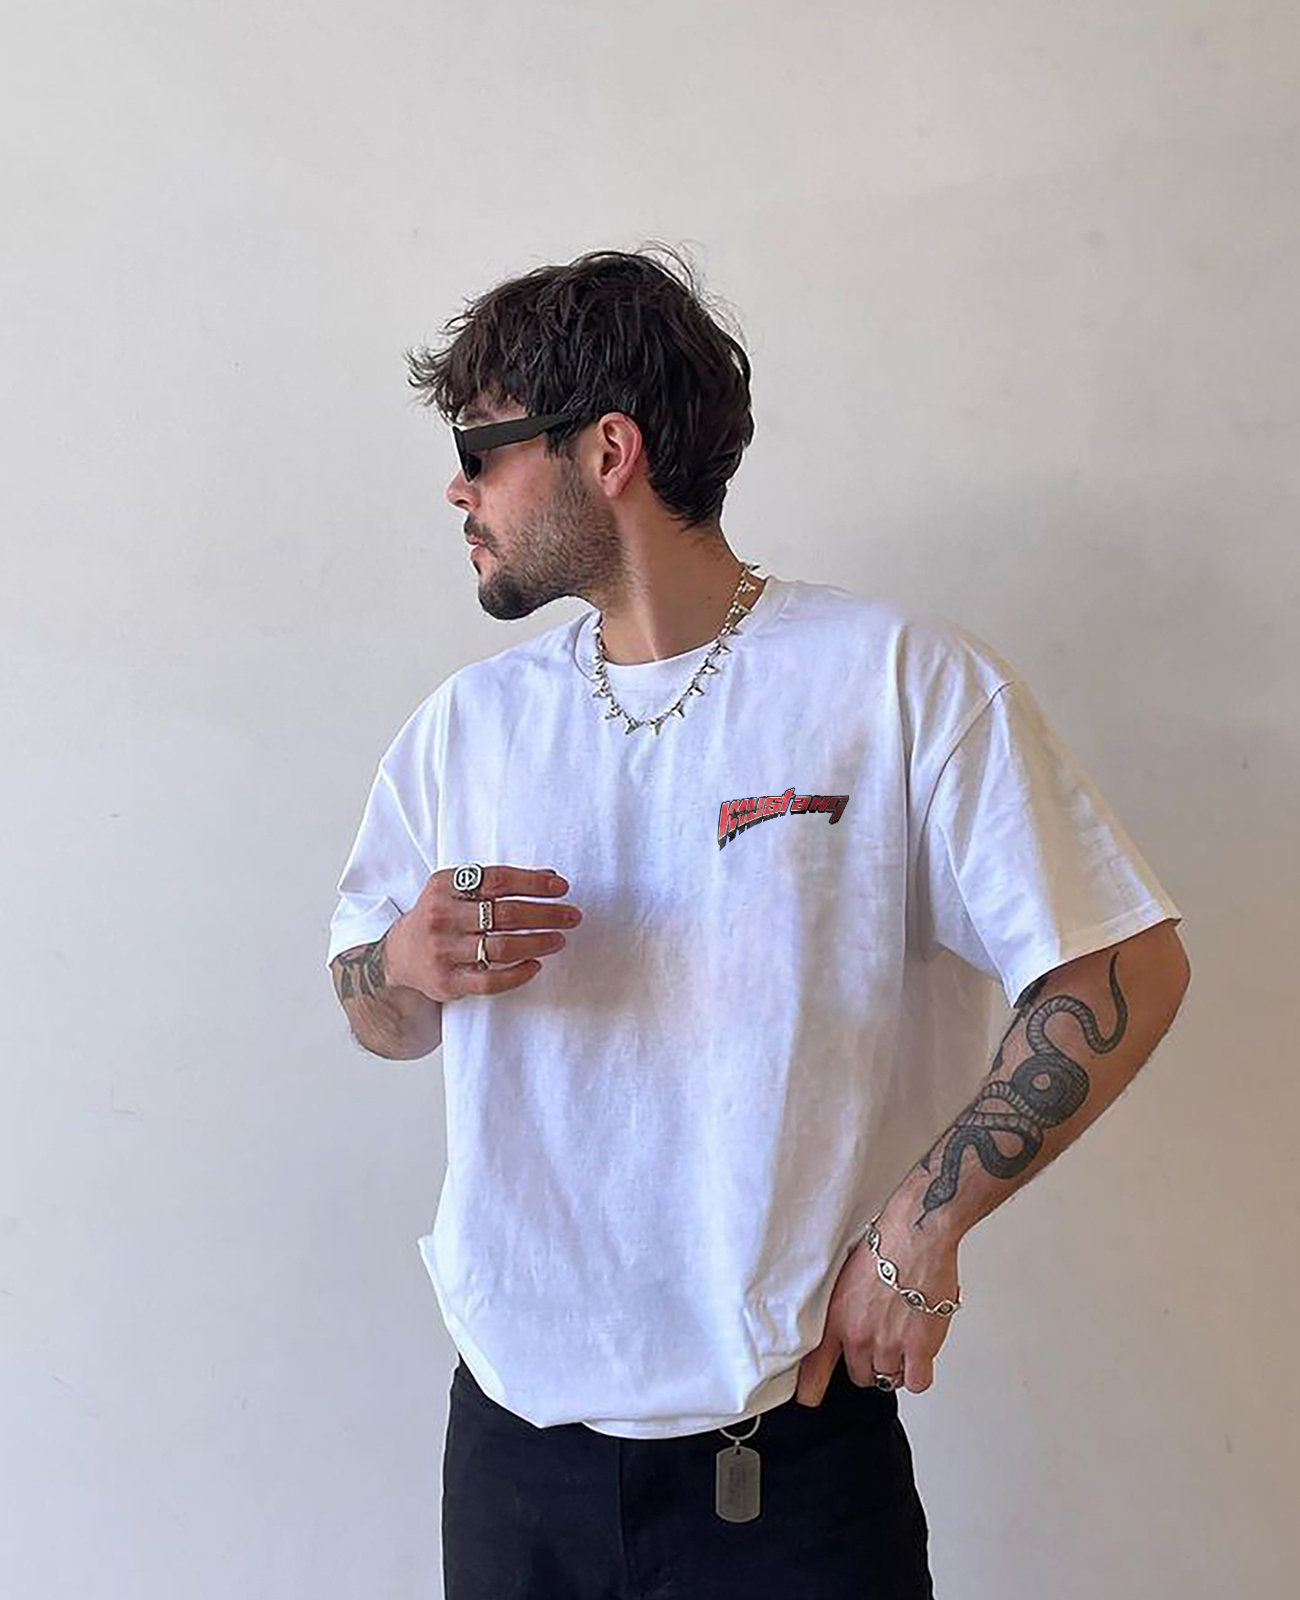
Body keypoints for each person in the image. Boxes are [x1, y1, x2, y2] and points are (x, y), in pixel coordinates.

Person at [326, 245, 1191, 1599]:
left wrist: (922, 1228)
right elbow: (371, 1009)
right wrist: (400, 964)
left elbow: (1123, 963)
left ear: (607, 449)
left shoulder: (896, 681)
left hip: (785, 1465)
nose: (458, 488)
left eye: (480, 449)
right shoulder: (468, 728)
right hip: (511, 1454)